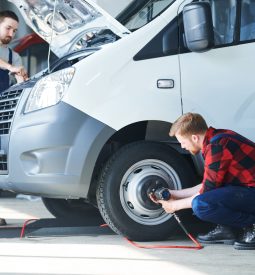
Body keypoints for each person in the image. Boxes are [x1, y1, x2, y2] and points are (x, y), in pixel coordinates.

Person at [151, 113, 255, 250]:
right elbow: (208, 185)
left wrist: (175, 206)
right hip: (248, 191)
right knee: (205, 198)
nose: (182, 146)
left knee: (200, 205)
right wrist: (173, 194)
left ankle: (252, 225)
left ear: (194, 137)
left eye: (183, 141)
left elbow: (205, 193)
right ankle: (227, 230)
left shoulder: (217, 146)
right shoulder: (217, 139)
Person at [0, 10, 28, 93]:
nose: (11, 34)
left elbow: (20, 85)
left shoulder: (14, 57)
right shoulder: (11, 65)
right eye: (8, 28)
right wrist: (10, 67)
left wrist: (23, 80)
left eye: (14, 31)